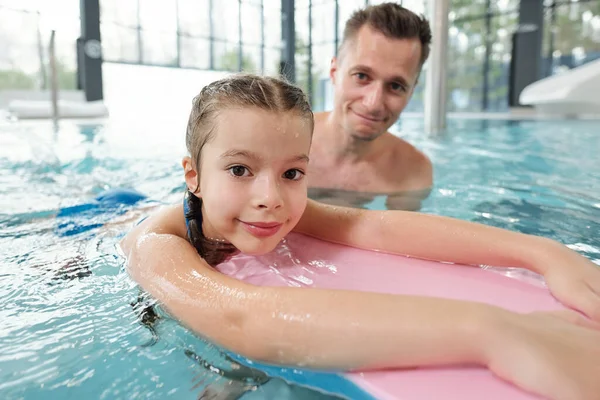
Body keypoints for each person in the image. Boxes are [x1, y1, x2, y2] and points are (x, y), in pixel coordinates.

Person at [120, 74, 600, 400]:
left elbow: (376, 227)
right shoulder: (156, 245)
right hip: (95, 232)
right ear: (193, 176)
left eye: (292, 172)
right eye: (240, 169)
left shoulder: (273, 206)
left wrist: (543, 253)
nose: (270, 196)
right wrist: (496, 331)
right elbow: (238, 315)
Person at [308, 3, 433, 210]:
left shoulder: (412, 170)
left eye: (395, 86)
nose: (373, 103)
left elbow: (399, 239)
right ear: (334, 72)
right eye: (362, 76)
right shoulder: (282, 141)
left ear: (411, 92)